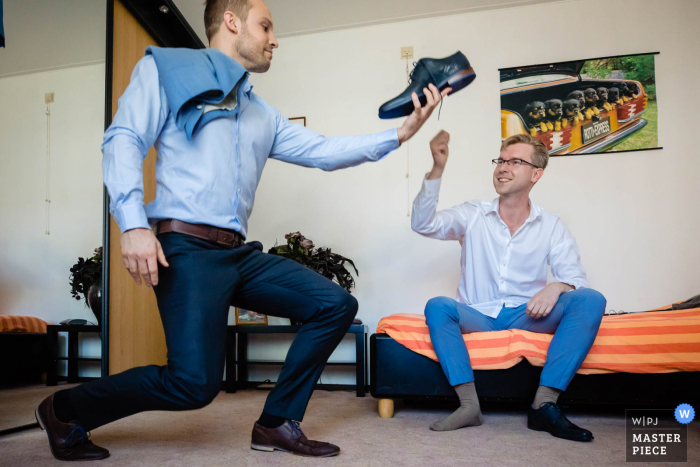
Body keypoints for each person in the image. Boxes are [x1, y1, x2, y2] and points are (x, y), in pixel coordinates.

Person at [36, 0, 450, 460]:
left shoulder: (262, 113)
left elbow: (324, 151)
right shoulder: (166, 70)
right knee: (193, 384)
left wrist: (401, 134)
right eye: (266, 26)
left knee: (333, 304)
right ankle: (63, 409)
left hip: (238, 254)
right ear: (231, 22)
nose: (275, 39)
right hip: (186, 249)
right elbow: (124, 138)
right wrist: (133, 224)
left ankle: (275, 424)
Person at [411, 131, 606, 441]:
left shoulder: (551, 225)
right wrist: (437, 169)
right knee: (438, 306)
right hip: (479, 315)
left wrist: (557, 287)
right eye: (500, 161)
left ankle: (544, 405)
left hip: (527, 314)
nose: (503, 168)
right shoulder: (473, 214)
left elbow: (576, 279)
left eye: (515, 161)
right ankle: (469, 406)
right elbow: (423, 225)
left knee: (591, 300)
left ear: (536, 174)